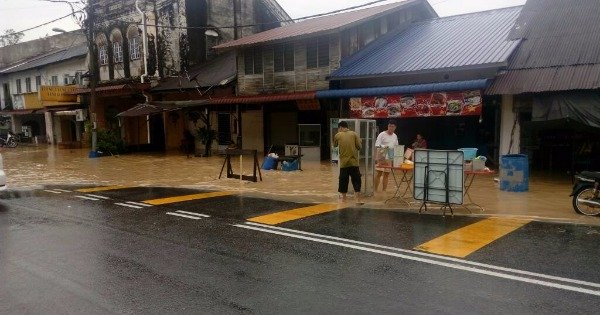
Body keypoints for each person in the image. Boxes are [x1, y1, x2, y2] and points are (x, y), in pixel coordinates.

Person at [333, 121, 363, 204]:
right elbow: (359, 147)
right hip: (354, 163)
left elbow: (335, 145)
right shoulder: (354, 134)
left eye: (339, 129)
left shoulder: (337, 135)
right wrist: (360, 141)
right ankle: (357, 199)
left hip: (344, 163)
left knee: (343, 180)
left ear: (340, 128)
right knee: (356, 180)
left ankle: (344, 199)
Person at [374, 121, 399, 192]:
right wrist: (385, 147)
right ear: (388, 126)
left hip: (390, 156)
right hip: (381, 155)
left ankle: (384, 191)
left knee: (387, 174)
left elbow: (396, 147)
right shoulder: (382, 134)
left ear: (395, 127)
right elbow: (377, 145)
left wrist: (396, 159)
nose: (391, 128)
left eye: (392, 126)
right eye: (390, 126)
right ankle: (375, 190)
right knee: (379, 173)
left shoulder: (395, 136)